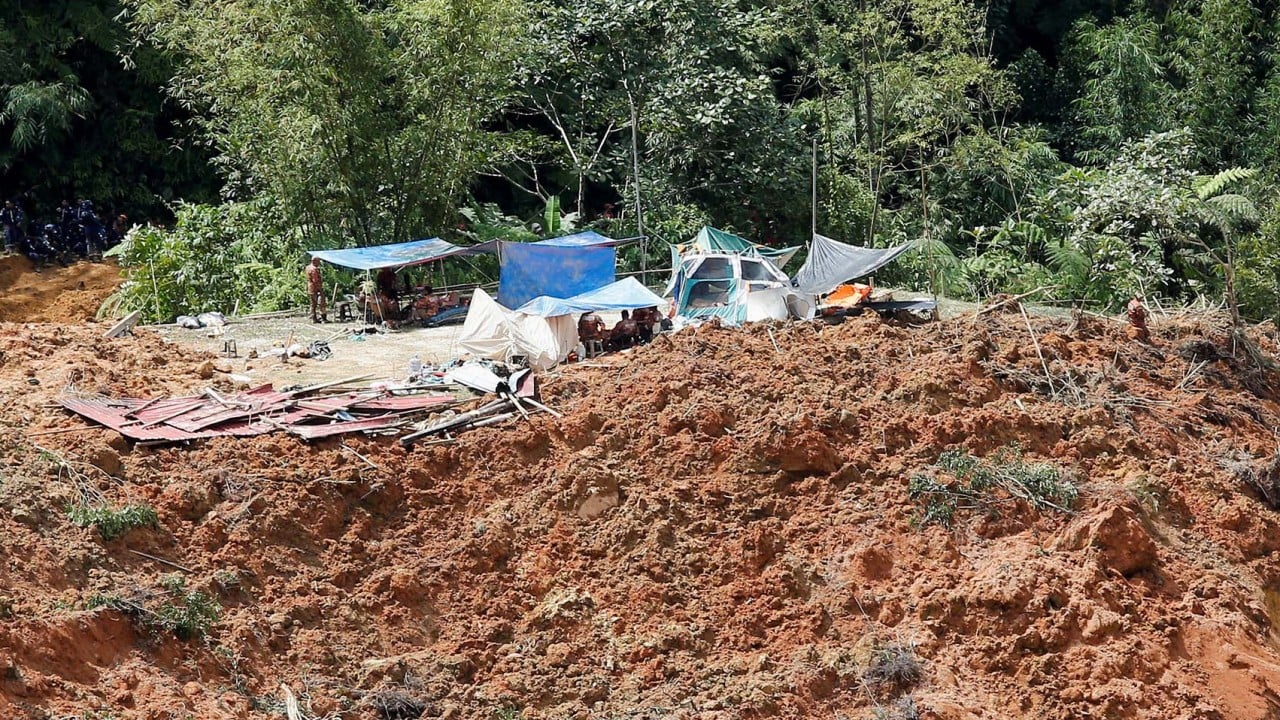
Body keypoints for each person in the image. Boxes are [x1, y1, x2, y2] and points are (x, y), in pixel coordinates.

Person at [306, 257, 328, 323]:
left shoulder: (307, 267)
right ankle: (324, 319)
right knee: (321, 303)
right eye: (318, 261)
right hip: (316, 289)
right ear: (314, 261)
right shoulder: (314, 269)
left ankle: (313, 319)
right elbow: (315, 280)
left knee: (313, 304)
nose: (319, 263)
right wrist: (320, 290)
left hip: (310, 288)